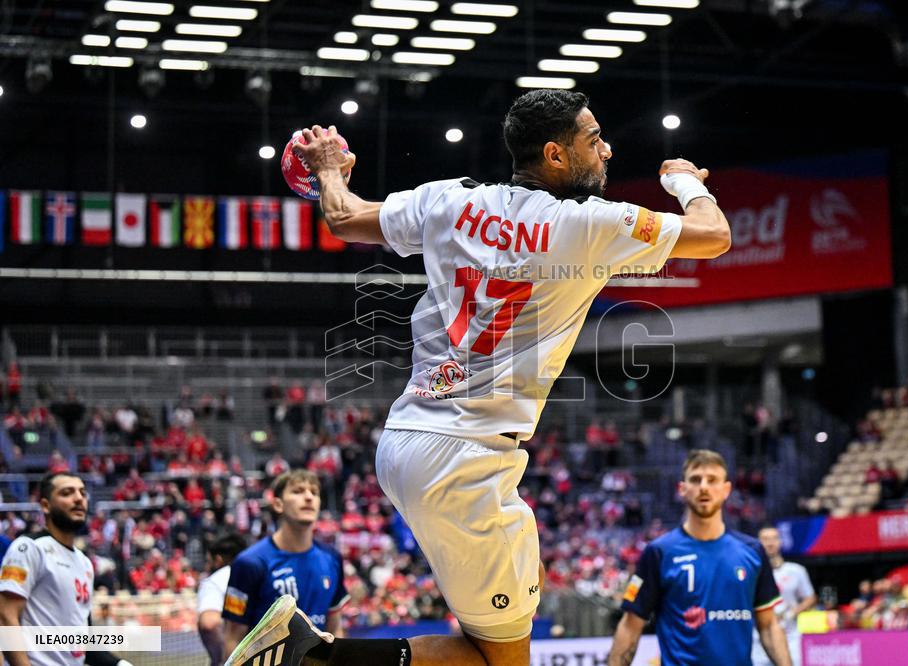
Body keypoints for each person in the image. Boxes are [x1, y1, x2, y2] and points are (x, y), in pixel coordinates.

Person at [226, 89, 731, 666]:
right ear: (556, 154)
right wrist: (687, 181)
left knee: (487, 649)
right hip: (467, 462)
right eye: (594, 140)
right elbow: (713, 235)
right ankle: (310, 655)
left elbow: (343, 217)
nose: (608, 150)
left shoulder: (449, 199)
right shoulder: (588, 224)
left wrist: (327, 172)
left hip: (406, 440)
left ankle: (313, 654)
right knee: (501, 662)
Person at [608, 450, 792, 666]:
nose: (704, 486)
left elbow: (769, 626)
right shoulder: (659, 552)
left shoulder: (753, 552)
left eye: (712, 480)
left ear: (726, 490)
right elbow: (631, 626)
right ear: (682, 489)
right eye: (695, 480)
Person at [0, 472, 130, 666]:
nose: (78, 498)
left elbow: (84, 642)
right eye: (67, 493)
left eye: (82, 493)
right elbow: (5, 617)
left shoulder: (84, 563)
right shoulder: (29, 548)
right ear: (45, 505)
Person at [221, 471, 348, 661]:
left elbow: (335, 627)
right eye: (298, 491)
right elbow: (233, 637)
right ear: (278, 504)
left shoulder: (333, 558)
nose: (308, 497)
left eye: (314, 492)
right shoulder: (248, 563)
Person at [751, 526, 816, 666]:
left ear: (781, 542)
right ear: (758, 543)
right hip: (758, 639)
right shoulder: (750, 571)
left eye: (774, 538)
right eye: (765, 539)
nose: (770, 543)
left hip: (790, 636)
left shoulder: (796, 570)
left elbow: (810, 598)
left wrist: (792, 612)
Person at [199, 534, 248, 666]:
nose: (208, 566)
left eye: (209, 561)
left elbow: (210, 623)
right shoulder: (260, 574)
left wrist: (223, 660)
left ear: (218, 560)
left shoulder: (215, 581)